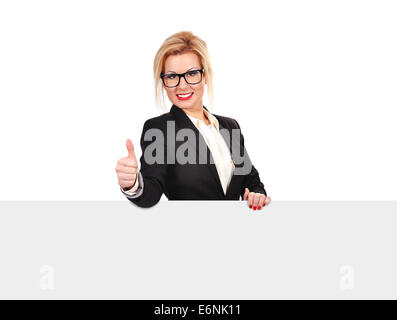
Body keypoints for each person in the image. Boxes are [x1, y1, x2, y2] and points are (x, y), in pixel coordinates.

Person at [115, 31, 270, 210]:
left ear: (204, 75)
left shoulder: (230, 126)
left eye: (192, 73)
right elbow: (150, 193)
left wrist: (257, 194)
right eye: (172, 76)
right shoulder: (159, 129)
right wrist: (132, 183)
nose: (182, 85)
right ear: (163, 83)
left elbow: (251, 180)